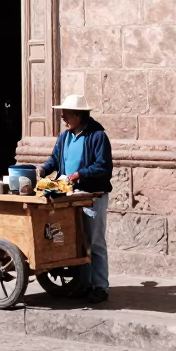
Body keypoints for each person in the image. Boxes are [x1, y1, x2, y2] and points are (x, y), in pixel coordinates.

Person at [38, 93, 112, 304]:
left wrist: (79, 175)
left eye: (67, 114)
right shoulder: (65, 137)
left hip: (91, 196)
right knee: (77, 241)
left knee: (94, 241)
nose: (63, 118)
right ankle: (83, 283)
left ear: (79, 115)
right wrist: (43, 169)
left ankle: (100, 286)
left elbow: (103, 166)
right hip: (69, 196)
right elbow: (54, 159)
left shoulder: (97, 136)